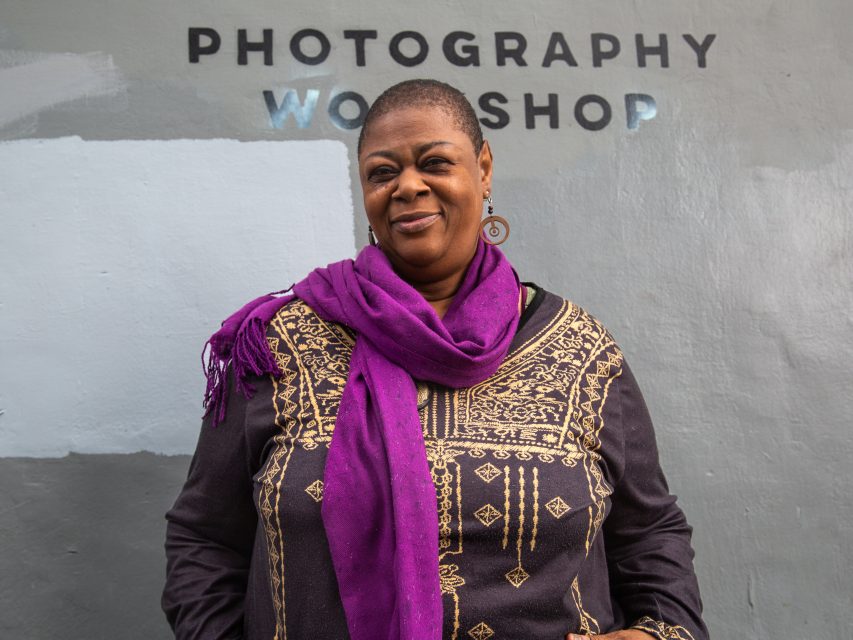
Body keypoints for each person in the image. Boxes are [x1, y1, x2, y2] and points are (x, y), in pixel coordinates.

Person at [162, 79, 708, 640]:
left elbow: (649, 532)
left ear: (483, 169)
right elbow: (204, 538)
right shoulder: (277, 344)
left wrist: (659, 632)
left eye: (434, 163)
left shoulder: (579, 348)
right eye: (382, 173)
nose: (407, 186)